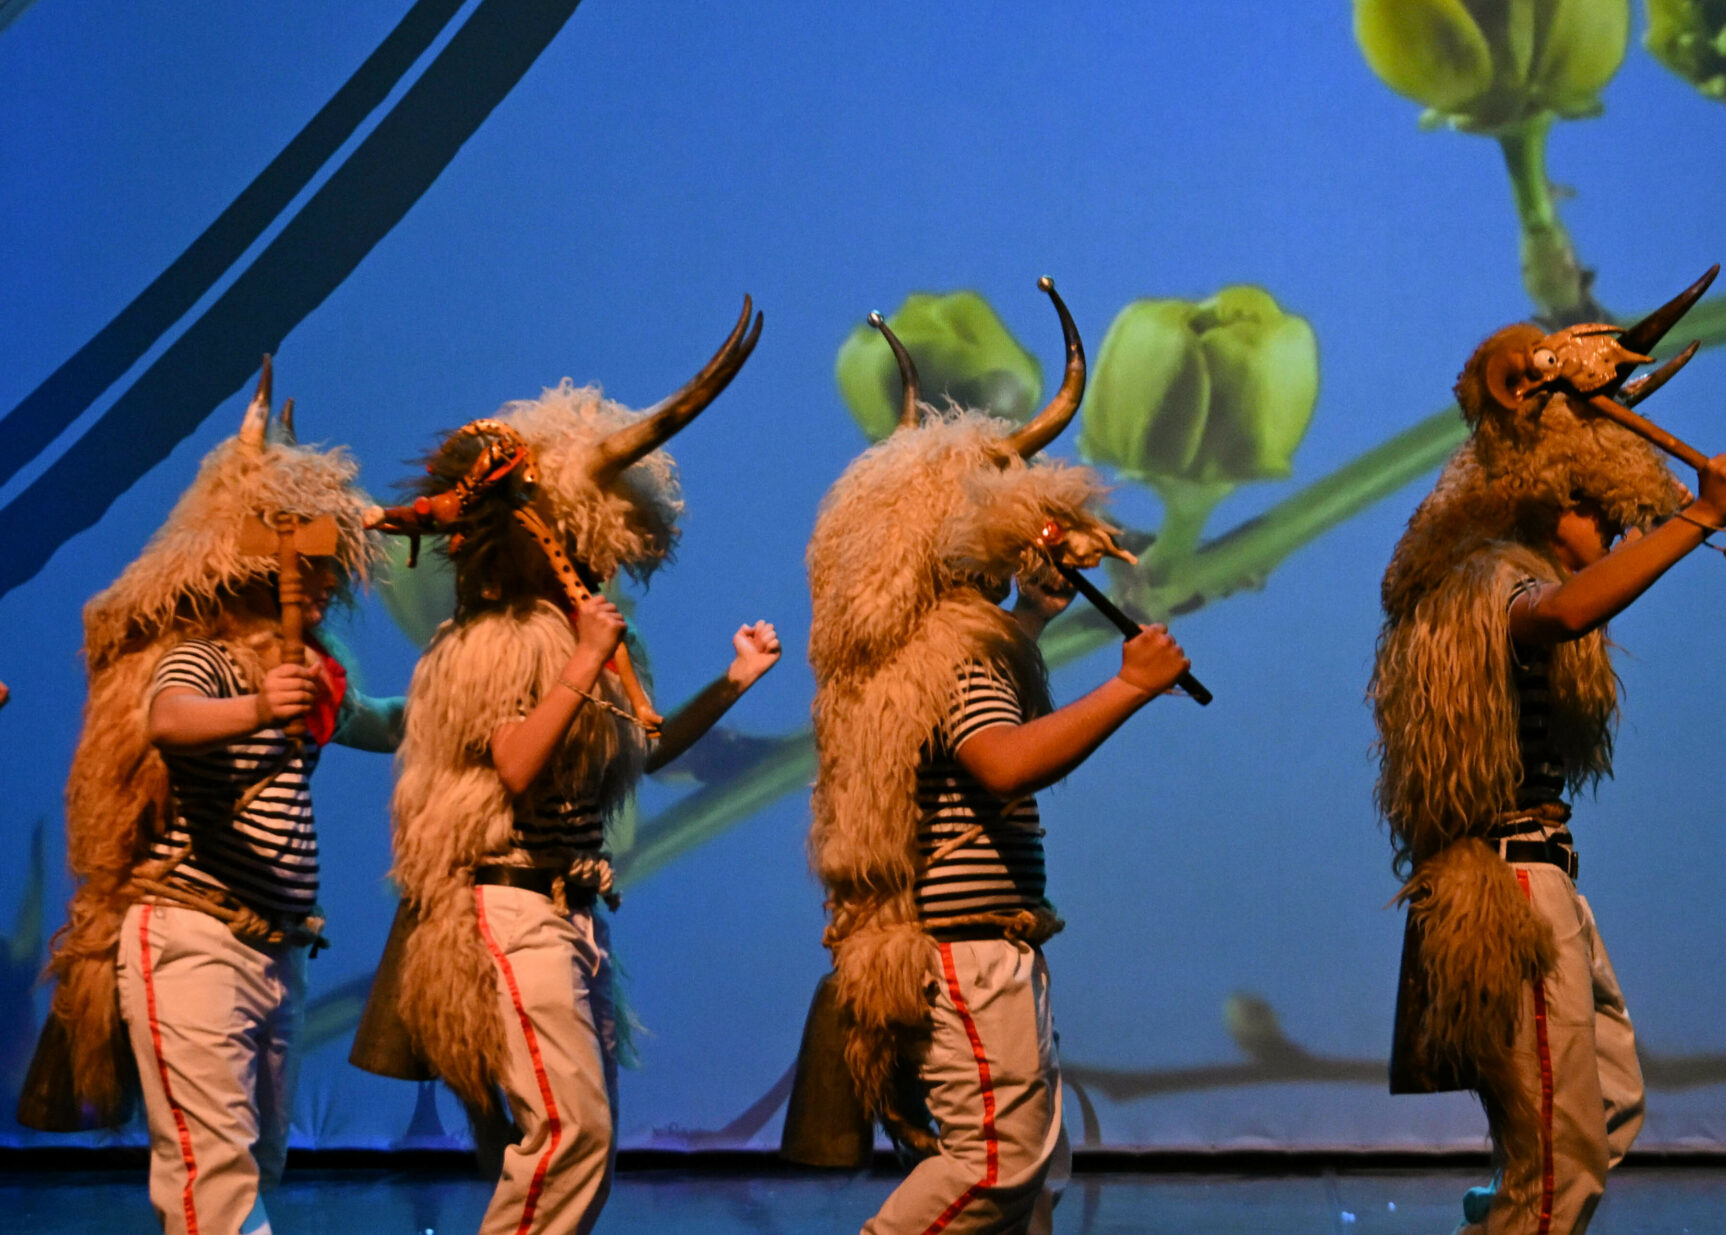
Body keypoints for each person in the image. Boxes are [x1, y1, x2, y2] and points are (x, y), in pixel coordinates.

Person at [350, 303, 779, 1235]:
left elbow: (641, 747)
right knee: (568, 1132)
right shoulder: (502, 639)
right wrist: (584, 658)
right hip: (509, 906)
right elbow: (513, 762)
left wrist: (733, 682)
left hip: (571, 908)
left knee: (583, 1139)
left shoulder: (564, 636)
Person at [786, 281, 1196, 1235]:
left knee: (1029, 1179)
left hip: (976, 940)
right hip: (966, 950)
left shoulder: (921, 651)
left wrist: (1033, 620)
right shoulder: (956, 653)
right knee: (998, 1166)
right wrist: (1130, 685)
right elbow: (1002, 762)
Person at [1370, 284, 1726, 1235]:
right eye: (1605, 515)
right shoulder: (1489, 577)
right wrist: (1697, 519)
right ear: (1555, 496)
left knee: (1605, 1108)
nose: (1616, 535)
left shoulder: (1503, 573)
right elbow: (1562, 615)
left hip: (1546, 875)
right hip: (1509, 886)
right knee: (1557, 1167)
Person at [18, 365, 401, 1235]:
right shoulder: (209, 658)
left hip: (277, 949)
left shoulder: (305, 676)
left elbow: (384, 721)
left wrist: (470, 699)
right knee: (213, 1177)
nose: (324, 581)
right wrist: (259, 705)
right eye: (308, 562)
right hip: (193, 936)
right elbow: (170, 717)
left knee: (253, 1164)